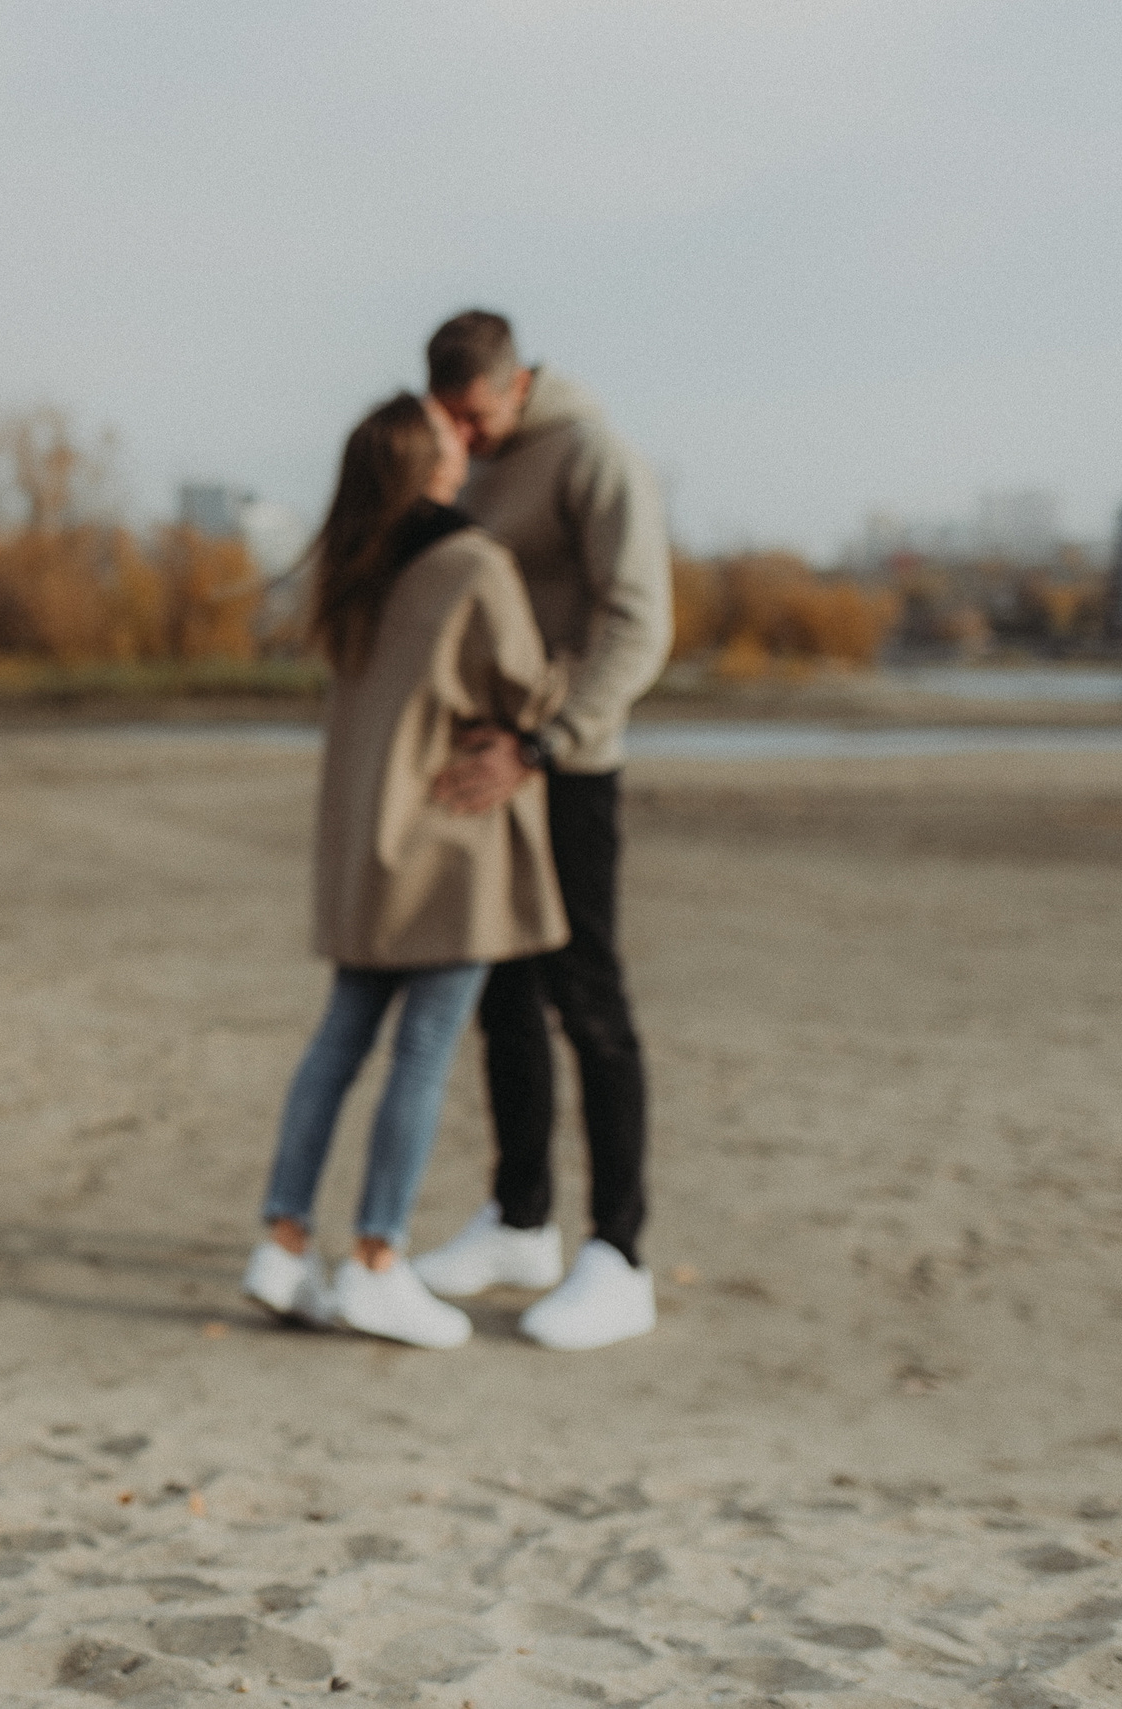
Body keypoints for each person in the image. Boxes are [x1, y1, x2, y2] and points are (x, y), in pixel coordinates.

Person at [242, 392, 568, 1350]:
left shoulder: (354, 571)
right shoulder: (472, 564)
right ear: (429, 466)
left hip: (365, 850)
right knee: (423, 1052)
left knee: (340, 1040)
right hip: (447, 842)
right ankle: (378, 1259)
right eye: (446, 436)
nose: (463, 446)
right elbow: (527, 688)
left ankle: (283, 1241)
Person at [407, 309, 672, 1351]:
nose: (465, 438)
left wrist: (545, 742)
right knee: (503, 994)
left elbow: (640, 622)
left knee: (587, 998)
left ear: (516, 385)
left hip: (567, 769)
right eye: (450, 422)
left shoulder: (593, 455)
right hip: (492, 772)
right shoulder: (469, 464)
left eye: (475, 418)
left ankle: (620, 1255)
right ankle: (521, 1222)